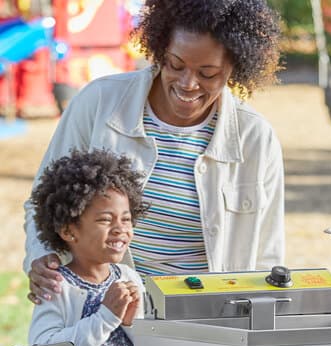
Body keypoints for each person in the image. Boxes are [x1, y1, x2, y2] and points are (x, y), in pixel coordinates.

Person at [24, 0, 284, 303]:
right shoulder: (98, 102)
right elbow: (42, 204)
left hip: (207, 323)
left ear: (234, 68)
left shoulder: (255, 138)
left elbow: (267, 255)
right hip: (93, 311)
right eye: (175, 65)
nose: (188, 83)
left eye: (208, 73)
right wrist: (41, 257)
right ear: (160, 50)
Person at [28, 149, 148, 346]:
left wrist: (133, 323)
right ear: (69, 230)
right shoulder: (57, 286)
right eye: (106, 220)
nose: (120, 228)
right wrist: (106, 317)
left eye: (126, 218)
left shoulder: (129, 278)